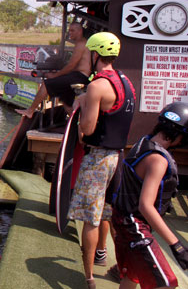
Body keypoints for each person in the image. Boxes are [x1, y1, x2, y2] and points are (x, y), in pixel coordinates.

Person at [67, 32, 136, 289]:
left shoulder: (97, 85)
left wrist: (82, 102)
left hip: (97, 159)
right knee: (108, 212)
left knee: (90, 218)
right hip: (119, 157)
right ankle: (109, 259)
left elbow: (86, 128)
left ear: (95, 54)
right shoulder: (126, 81)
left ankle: (89, 278)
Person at [110, 101, 188, 289]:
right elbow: (146, 205)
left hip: (122, 219)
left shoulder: (143, 143)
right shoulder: (158, 161)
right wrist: (176, 245)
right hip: (133, 225)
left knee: (132, 276)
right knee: (167, 283)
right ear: (179, 135)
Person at [16, 22, 91, 118]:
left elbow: (71, 66)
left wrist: (55, 75)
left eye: (72, 30)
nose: (70, 33)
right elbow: (74, 66)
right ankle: (76, 123)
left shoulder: (81, 44)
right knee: (65, 100)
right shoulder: (83, 43)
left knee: (46, 84)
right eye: (69, 31)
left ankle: (30, 111)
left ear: (80, 31)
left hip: (79, 76)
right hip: (79, 76)